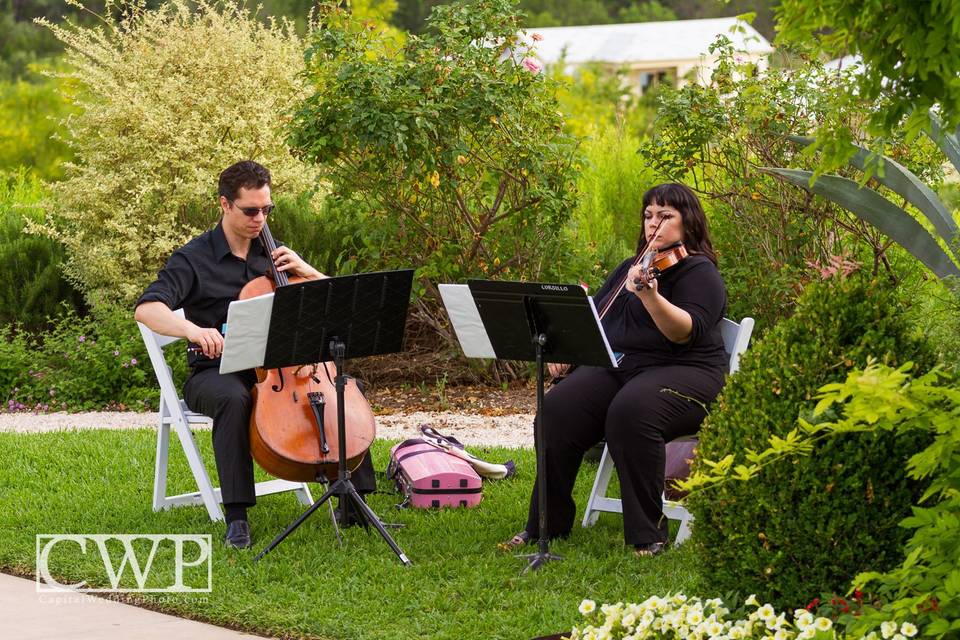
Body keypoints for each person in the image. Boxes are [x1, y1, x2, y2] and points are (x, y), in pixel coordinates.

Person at [135, 160, 376, 549]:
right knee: (234, 399)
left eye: (267, 209)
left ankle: (354, 502)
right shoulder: (193, 258)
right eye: (251, 210)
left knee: (345, 387)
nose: (260, 218)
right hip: (216, 371)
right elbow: (147, 308)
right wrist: (193, 330)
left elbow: (339, 304)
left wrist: (308, 272)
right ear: (225, 205)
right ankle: (237, 517)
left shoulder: (276, 255)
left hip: (283, 368)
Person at [502, 183, 728, 557]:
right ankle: (548, 524)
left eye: (666, 216)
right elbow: (599, 322)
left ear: (688, 223)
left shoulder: (699, 272)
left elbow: (683, 331)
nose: (653, 224)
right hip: (628, 367)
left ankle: (647, 536)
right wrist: (567, 351)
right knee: (557, 410)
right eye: (648, 215)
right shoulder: (631, 267)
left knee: (632, 411)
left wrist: (650, 296)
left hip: (689, 371)